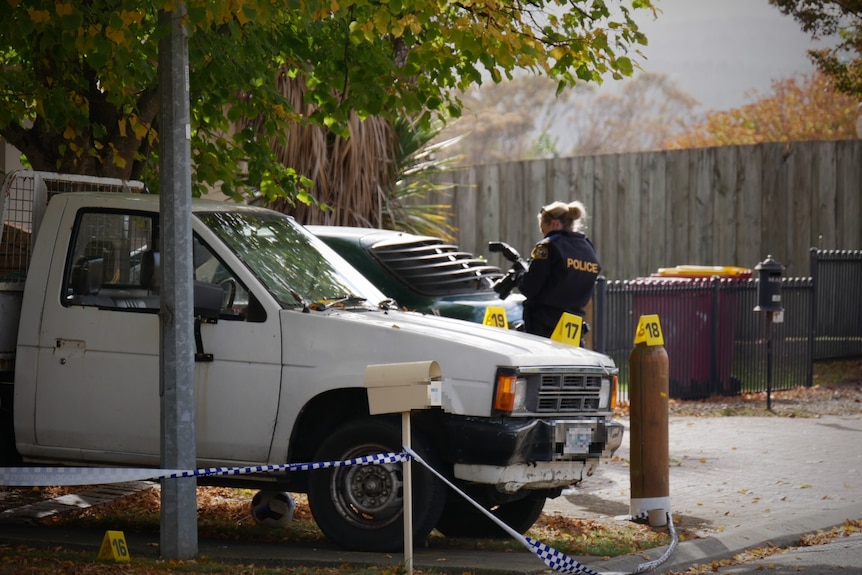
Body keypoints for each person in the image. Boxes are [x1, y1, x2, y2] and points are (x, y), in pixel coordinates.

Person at [518, 200, 601, 339]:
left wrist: (520, 276)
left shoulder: (548, 246)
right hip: (574, 325)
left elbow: (529, 287)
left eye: (543, 230)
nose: (543, 234)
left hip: (544, 325)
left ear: (555, 224)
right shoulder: (588, 248)